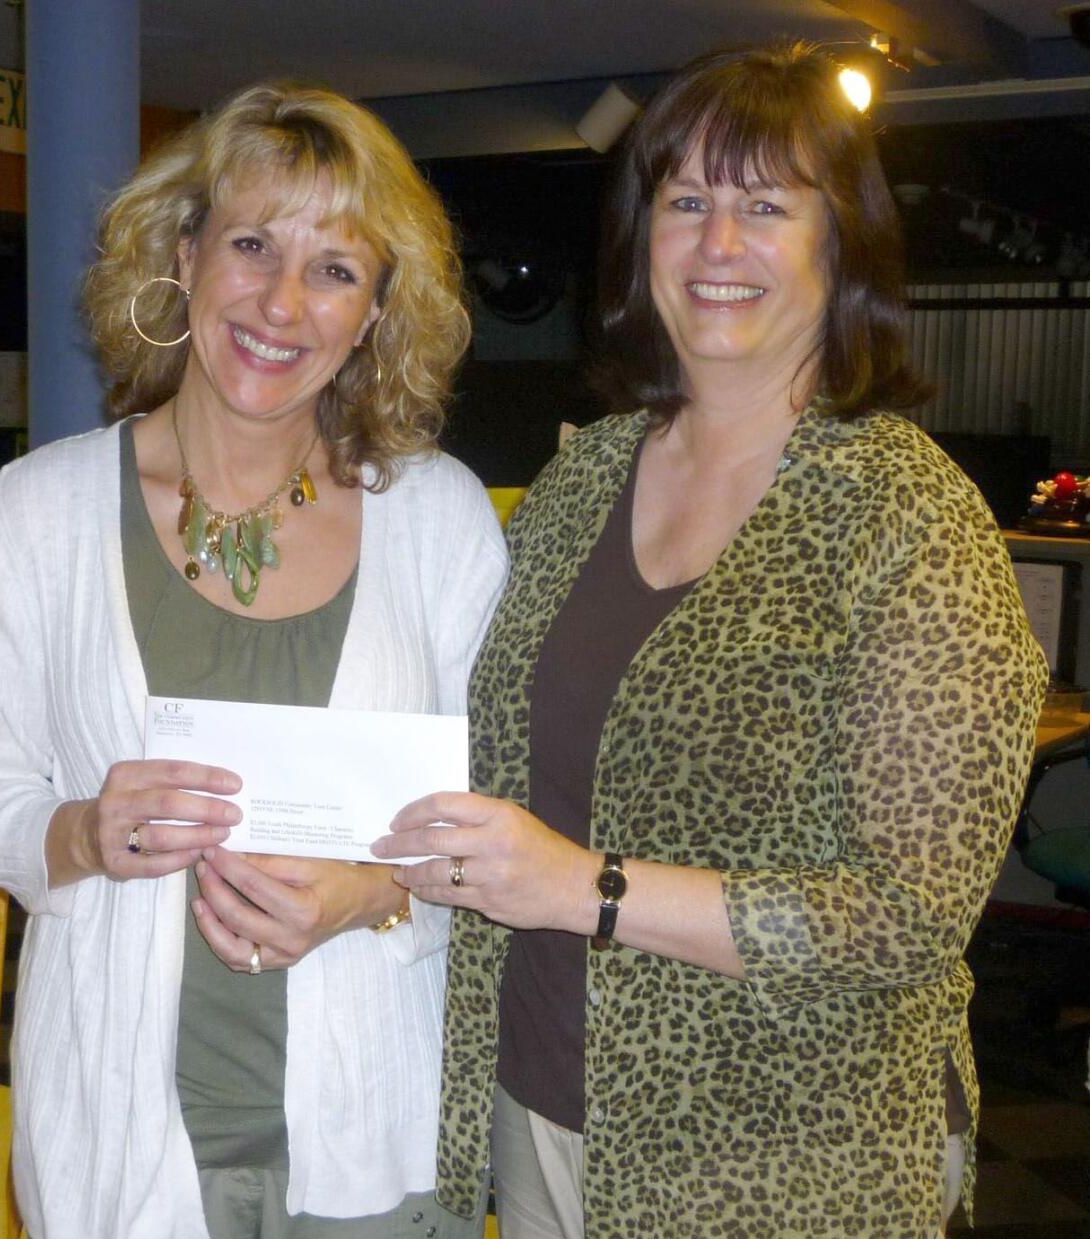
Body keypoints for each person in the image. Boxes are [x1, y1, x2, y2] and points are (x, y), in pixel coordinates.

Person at [374, 42, 1048, 1239]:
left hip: (785, 1151)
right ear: (641, 240)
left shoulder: (905, 515)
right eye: (683, 202)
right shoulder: (579, 482)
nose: (716, 244)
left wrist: (586, 889)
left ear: (838, 248)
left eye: (763, 207)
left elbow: (902, 915)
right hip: (537, 1110)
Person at [0, 82, 507, 1239]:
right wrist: (79, 832)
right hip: (122, 1147)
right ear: (184, 256)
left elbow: (495, 808)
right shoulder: (36, 517)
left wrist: (375, 893)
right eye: (251, 245)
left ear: (375, 309)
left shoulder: (437, 520)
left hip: (371, 1135)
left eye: (335, 269)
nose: (282, 303)